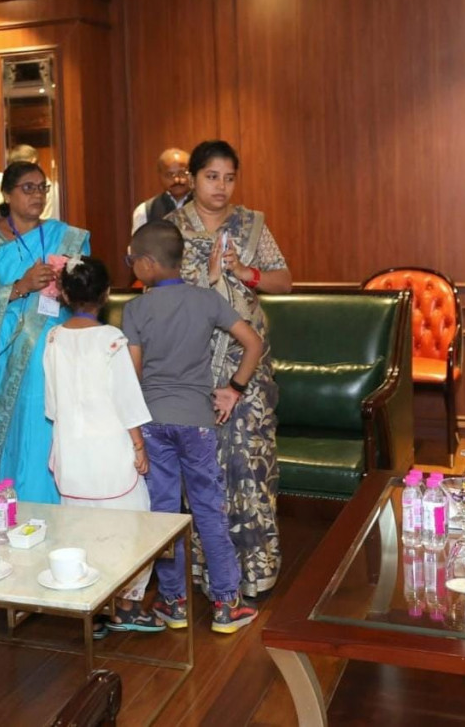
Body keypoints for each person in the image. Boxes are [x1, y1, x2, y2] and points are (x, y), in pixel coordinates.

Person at [122, 221, 265, 633]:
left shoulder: (135, 309)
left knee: (164, 514)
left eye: (133, 261)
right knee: (208, 511)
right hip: (198, 425)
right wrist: (234, 389)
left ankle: (173, 602)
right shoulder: (205, 300)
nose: (133, 267)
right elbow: (253, 343)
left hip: (153, 424)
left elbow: (132, 376)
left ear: (148, 263)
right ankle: (226, 605)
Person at [167, 140, 292, 598]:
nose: (221, 186)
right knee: (199, 466)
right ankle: (206, 573)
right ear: (193, 179)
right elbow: (154, 288)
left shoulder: (250, 225)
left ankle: (255, 570)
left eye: (229, 177)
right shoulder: (172, 229)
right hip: (191, 363)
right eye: (211, 177)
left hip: (246, 363)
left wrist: (244, 271)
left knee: (249, 463)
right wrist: (205, 277)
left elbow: (284, 280)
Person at [0, 161, 89, 503]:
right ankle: (29, 504)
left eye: (42, 188)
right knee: (29, 426)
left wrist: (68, 285)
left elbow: (87, 295)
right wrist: (21, 286)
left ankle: (67, 504)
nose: (37, 195)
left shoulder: (66, 236)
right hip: (11, 352)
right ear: (7, 194)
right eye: (27, 188)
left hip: (62, 346)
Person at [44, 255, 161, 633]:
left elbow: (52, 405)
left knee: (79, 528)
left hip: (72, 452)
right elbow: (127, 401)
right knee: (131, 525)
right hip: (111, 452)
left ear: (64, 294)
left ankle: (90, 608)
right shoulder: (112, 340)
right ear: (107, 294)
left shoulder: (53, 338)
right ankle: (125, 605)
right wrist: (139, 447)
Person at [131, 148, 192, 234]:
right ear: (160, 176)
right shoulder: (145, 211)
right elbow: (140, 242)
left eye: (182, 173)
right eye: (169, 175)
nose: (177, 180)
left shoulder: (207, 206)